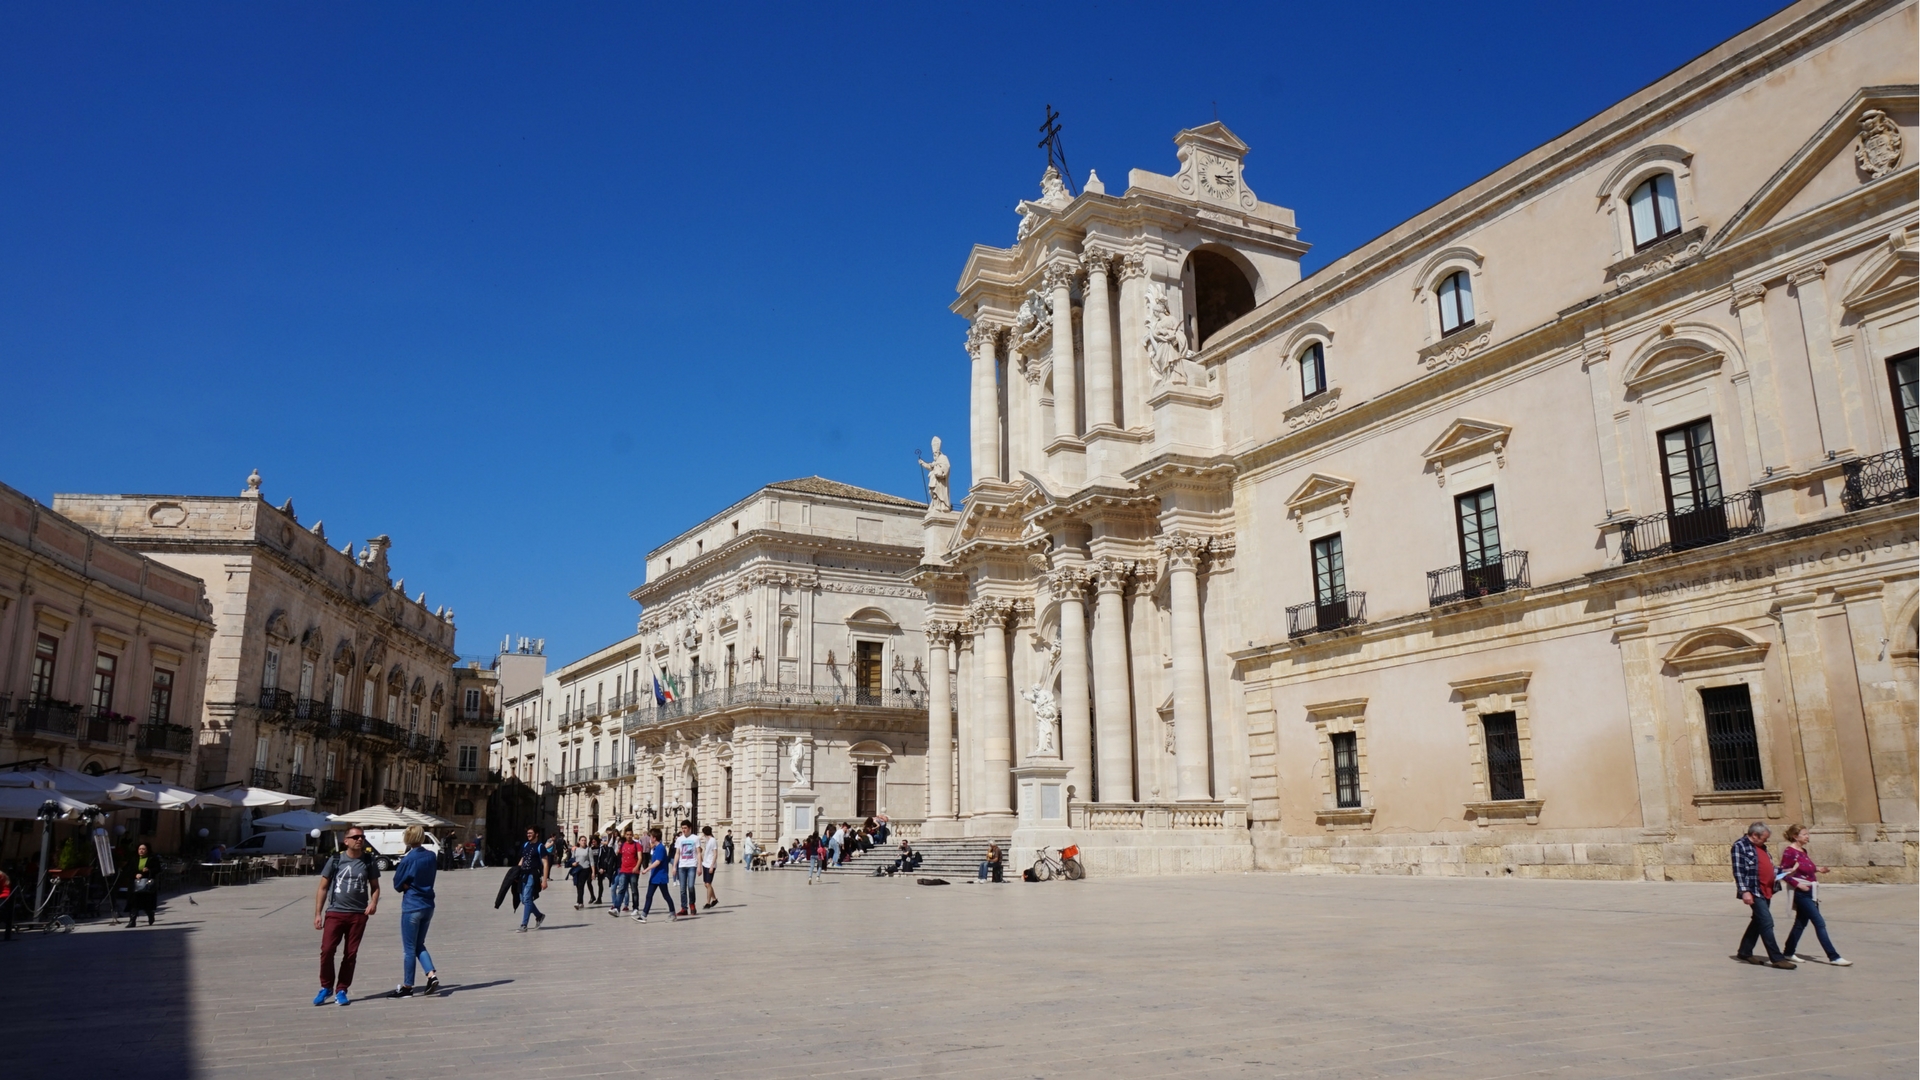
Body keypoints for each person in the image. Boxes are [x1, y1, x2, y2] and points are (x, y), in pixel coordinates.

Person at [313, 827, 381, 1006]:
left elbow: (375, 886)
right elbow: (322, 887)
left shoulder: (368, 861)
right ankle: (326, 987)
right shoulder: (336, 860)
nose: (360, 839)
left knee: (350, 954)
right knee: (327, 950)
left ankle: (341, 989)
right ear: (346, 841)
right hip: (335, 912)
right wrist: (318, 913)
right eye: (356, 837)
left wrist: (373, 903)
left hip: (358, 915)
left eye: (362, 837)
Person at [1780, 824, 1850, 966]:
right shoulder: (1790, 852)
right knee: (1819, 923)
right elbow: (1782, 873)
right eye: (1804, 834)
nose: (1807, 836)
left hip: (1811, 892)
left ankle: (1788, 952)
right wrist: (1798, 884)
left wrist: (1818, 869)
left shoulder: (1803, 851)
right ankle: (1833, 956)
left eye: (1807, 834)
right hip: (1802, 893)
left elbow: (1805, 868)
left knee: (1800, 923)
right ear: (1795, 836)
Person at [1731, 822, 1793, 969]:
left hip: (1767, 889)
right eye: (1765, 838)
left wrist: (1783, 871)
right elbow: (1739, 871)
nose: (1766, 841)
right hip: (1754, 890)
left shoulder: (1760, 846)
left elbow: (1766, 867)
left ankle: (1745, 951)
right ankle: (1777, 958)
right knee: (1766, 922)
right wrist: (1744, 891)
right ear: (1754, 835)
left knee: (1758, 921)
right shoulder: (1739, 846)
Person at [389, 824, 441, 997]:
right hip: (428, 904)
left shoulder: (408, 859)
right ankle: (431, 975)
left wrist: (406, 884)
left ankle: (407, 986)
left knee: (409, 948)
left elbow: (397, 883)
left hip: (412, 905)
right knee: (419, 944)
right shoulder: (431, 856)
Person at [515, 826, 550, 933]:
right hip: (523, 875)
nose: (528, 835)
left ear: (537, 834)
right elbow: (523, 859)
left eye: (530, 833)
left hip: (532, 875)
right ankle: (539, 916)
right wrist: (516, 872)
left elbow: (545, 863)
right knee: (524, 899)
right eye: (527, 833)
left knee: (526, 898)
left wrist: (544, 880)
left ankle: (524, 925)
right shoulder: (525, 845)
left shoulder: (540, 847)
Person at [636, 827, 674, 922]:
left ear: (654, 838)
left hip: (660, 876)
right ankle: (643, 915)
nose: (649, 839)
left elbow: (658, 862)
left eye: (650, 837)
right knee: (649, 895)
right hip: (654, 877)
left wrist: (646, 869)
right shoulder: (656, 848)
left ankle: (673, 914)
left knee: (666, 896)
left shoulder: (661, 848)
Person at [127, 842, 160, 927]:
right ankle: (132, 921)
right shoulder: (134, 859)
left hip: (147, 884)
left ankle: (150, 915)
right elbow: (128, 870)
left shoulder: (152, 858)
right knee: (134, 903)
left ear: (147, 850)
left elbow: (158, 869)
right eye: (140, 849)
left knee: (146, 903)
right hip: (135, 884)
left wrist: (149, 870)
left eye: (143, 849)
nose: (141, 851)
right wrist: (135, 874)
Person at [610, 829, 640, 916]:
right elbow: (619, 856)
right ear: (625, 835)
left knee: (634, 890)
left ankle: (635, 908)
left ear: (633, 835)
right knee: (621, 889)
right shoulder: (622, 845)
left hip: (633, 871)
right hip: (623, 870)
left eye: (630, 834)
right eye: (627, 834)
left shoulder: (637, 845)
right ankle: (616, 908)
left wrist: (637, 867)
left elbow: (640, 857)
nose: (629, 836)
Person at [673, 821, 701, 917]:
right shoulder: (679, 839)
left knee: (690, 886)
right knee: (682, 888)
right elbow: (677, 853)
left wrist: (699, 866)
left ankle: (692, 904)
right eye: (682, 828)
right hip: (682, 866)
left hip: (692, 865)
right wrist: (674, 866)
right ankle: (684, 908)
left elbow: (698, 853)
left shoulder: (695, 838)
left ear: (689, 828)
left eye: (685, 828)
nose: (683, 830)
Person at [569, 835, 594, 910]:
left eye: (585, 840)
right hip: (577, 869)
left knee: (581, 885)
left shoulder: (588, 850)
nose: (583, 842)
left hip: (585, 869)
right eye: (582, 840)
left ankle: (578, 902)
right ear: (579, 841)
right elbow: (572, 859)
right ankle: (581, 902)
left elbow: (592, 861)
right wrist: (573, 864)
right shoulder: (575, 850)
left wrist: (593, 872)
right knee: (578, 886)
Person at [699, 825, 720, 909]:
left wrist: (712, 866)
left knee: (708, 884)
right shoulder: (707, 840)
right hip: (705, 863)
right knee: (706, 884)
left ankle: (708, 902)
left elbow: (715, 854)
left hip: (710, 864)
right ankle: (714, 899)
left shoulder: (713, 841)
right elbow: (699, 838)